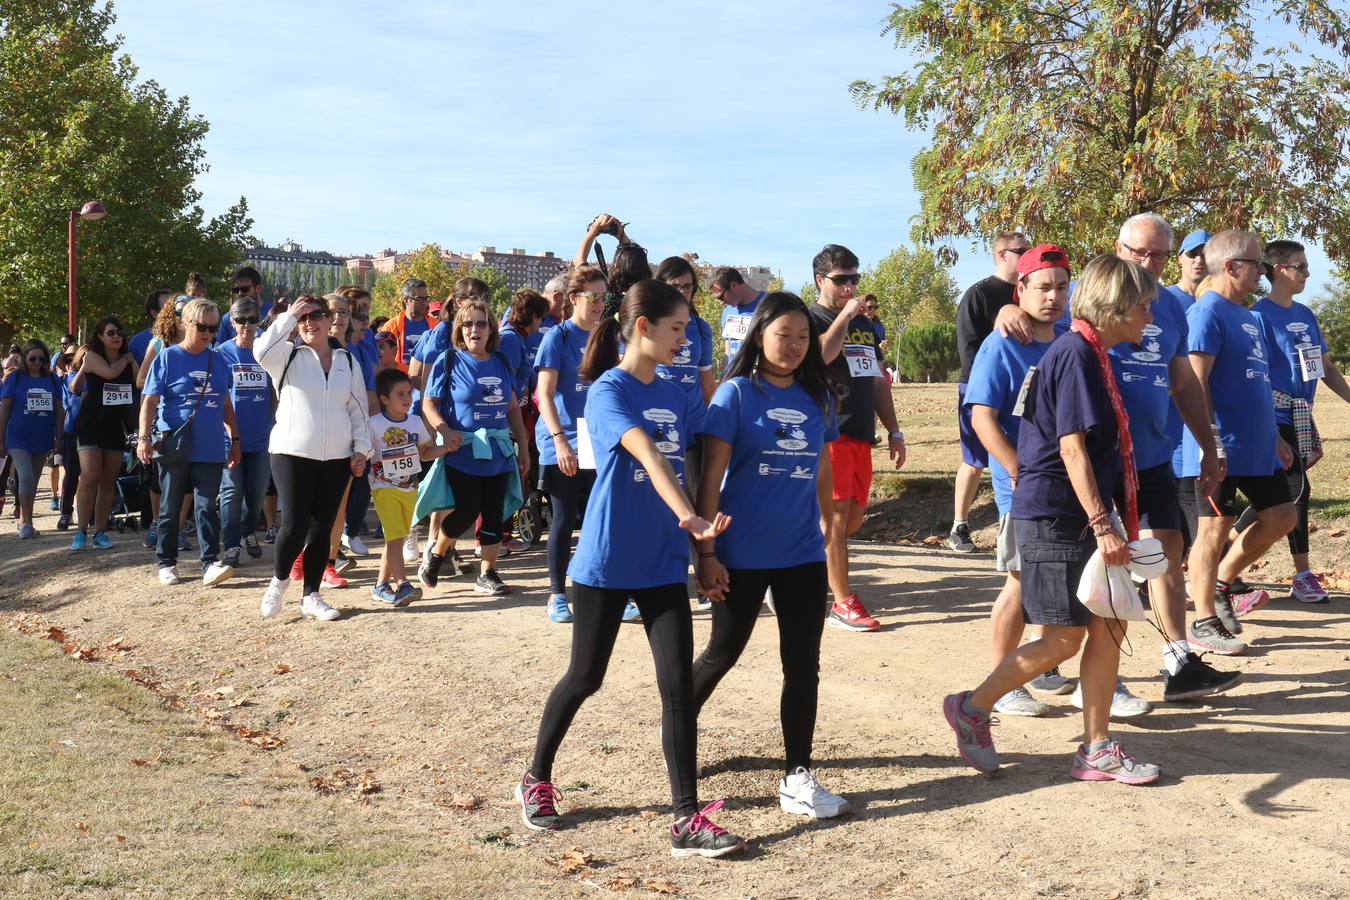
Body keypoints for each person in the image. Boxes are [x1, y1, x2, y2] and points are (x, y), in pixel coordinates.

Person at [514, 280, 745, 858]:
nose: (684, 339)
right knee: (585, 678)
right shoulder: (607, 390)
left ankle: (686, 817)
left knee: (676, 690)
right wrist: (691, 518)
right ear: (642, 327)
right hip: (607, 560)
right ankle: (535, 776)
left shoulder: (679, 389)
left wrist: (703, 551)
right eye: (677, 329)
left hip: (663, 562)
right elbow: (645, 450)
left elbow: (701, 454)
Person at [944, 254, 1162, 784]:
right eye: (1143, 307)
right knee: (1063, 638)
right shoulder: (1077, 355)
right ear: (1115, 306)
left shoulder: (1091, 350)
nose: (1149, 319)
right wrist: (1105, 525)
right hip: (1056, 513)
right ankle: (972, 708)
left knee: (1108, 625)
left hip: (1081, 512)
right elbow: (1072, 449)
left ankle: (1097, 748)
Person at [691, 291, 848, 818]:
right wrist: (706, 551)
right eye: (785, 335)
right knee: (723, 652)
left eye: (804, 337)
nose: (796, 345)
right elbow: (710, 479)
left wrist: (829, 520)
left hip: (801, 552)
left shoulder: (817, 397)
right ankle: (678, 730)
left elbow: (822, 464)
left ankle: (797, 775)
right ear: (759, 335)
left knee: (803, 664)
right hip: (741, 552)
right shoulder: (735, 395)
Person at [1099, 214, 1239, 705]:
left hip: (1154, 451)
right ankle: (1100, 676)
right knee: (1103, 561)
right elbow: (1039, 316)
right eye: (1140, 252)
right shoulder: (1087, 293)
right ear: (1119, 247)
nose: (1149, 262)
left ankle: (1178, 660)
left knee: (1165, 548)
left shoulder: (1175, 307)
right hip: (1099, 455)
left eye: (1159, 254)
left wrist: (1205, 445)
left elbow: (1184, 383)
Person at [963, 245, 1069, 717]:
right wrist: (1016, 470)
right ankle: (1001, 681)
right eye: (1042, 287)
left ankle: (1041, 665)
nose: (1053, 297)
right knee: (1021, 580)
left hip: (1066, 482)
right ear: (1020, 289)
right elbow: (983, 417)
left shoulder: (1067, 336)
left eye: (1061, 287)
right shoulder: (1002, 343)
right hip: (1024, 487)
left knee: (1059, 575)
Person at [1182, 230, 1298, 655]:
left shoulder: (1249, 317)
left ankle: (1219, 583)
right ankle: (1203, 621)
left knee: (1283, 516)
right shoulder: (1206, 313)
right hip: (1218, 449)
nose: (1263, 271)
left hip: (1256, 445)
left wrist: (1273, 440)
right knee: (1212, 530)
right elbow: (1195, 384)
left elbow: (1258, 383)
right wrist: (1212, 444)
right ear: (1231, 267)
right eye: (1256, 263)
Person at [1239, 240, 1350, 604]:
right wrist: (1268, 426)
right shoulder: (1258, 316)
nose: (1306, 272)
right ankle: (1302, 575)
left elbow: (1325, 368)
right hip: (1273, 413)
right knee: (1297, 491)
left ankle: (1224, 544)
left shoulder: (1305, 313)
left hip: (1301, 412)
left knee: (1281, 496)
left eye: (1305, 266)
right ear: (1277, 270)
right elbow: (1252, 375)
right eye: (1299, 266)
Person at [254, 294, 371, 622]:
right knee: (293, 523)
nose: (309, 323)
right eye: (303, 317)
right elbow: (260, 350)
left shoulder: (346, 360)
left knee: (322, 527)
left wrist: (362, 448)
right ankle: (277, 584)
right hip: (291, 452)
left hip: (336, 456)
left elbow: (357, 407)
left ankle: (312, 596)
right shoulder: (286, 356)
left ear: (328, 318)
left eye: (315, 315)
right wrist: (288, 317)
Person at [807, 244, 906, 631]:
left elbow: (877, 379)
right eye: (841, 279)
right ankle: (842, 602)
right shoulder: (810, 318)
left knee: (852, 520)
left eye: (854, 279)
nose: (849, 286)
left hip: (862, 435)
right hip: (827, 433)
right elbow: (820, 358)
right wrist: (845, 317)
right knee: (835, 519)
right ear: (821, 280)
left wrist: (894, 429)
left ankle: (799, 564)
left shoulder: (865, 325)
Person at [417, 299, 530, 595]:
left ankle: (488, 572)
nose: (474, 329)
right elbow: (429, 402)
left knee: (494, 513)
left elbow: (512, 407)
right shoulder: (449, 360)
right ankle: (438, 552)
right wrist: (444, 430)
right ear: (460, 329)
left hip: (498, 451)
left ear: (491, 327)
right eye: (467, 324)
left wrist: (524, 445)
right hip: (462, 450)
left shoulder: (502, 362)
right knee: (466, 510)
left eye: (480, 323)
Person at [136, 299, 239, 587]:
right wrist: (144, 437)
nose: (207, 332)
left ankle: (209, 563)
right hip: (175, 446)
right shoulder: (168, 357)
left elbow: (226, 404)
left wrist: (236, 438)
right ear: (186, 324)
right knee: (169, 508)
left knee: (206, 507)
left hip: (211, 447)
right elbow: (149, 401)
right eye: (202, 326)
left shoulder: (219, 360)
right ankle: (166, 562)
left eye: (213, 327)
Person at [950, 231, 1031, 552]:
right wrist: (982, 392)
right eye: (1021, 250)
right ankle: (959, 525)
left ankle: (1013, 525)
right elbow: (967, 350)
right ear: (1001, 254)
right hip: (979, 389)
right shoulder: (978, 294)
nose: (1027, 255)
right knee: (975, 459)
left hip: (1023, 390)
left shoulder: (1028, 291)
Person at [534, 266, 607, 623]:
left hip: (599, 439)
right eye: (593, 297)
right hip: (563, 438)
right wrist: (561, 441)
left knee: (601, 517)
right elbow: (543, 395)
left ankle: (606, 590)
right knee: (564, 519)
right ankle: (557, 594)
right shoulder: (557, 338)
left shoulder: (608, 337)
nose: (599, 304)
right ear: (574, 298)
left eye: (603, 297)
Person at [368, 368, 449, 605]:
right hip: (383, 489)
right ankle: (402, 584)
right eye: (400, 394)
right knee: (394, 537)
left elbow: (424, 453)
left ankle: (380, 586)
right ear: (384, 399)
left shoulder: (415, 422)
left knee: (398, 538)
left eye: (409, 393)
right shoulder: (373, 424)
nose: (407, 399)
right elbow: (363, 451)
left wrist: (445, 448)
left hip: (409, 489)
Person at [68, 317, 137, 550]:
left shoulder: (127, 359)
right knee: (89, 476)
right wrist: (127, 359)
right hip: (90, 422)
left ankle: (100, 532)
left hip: (114, 424)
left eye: (119, 332)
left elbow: (139, 382)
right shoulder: (92, 357)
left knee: (109, 479)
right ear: (99, 337)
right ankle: (80, 532)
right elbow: (108, 373)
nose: (117, 336)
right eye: (110, 333)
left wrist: (132, 360)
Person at [215, 298, 272, 568]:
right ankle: (232, 543)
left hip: (262, 437)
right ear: (232, 322)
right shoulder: (221, 353)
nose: (247, 325)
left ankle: (248, 530)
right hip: (231, 437)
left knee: (257, 492)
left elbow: (275, 391)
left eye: (252, 319)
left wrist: (274, 423)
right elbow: (219, 397)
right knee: (231, 491)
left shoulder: (266, 350)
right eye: (241, 320)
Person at [0, 340, 63, 538]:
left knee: (33, 481)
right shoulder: (15, 378)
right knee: (25, 476)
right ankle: (26, 522)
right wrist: (0, 438)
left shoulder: (52, 379)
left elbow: (59, 410)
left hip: (42, 436)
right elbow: (5, 409)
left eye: (41, 359)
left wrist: (58, 437)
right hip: (18, 436)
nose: (37, 362)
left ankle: (26, 521)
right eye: (32, 358)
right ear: (25, 359)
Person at [339, 285, 378, 557]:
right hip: (337, 425)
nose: (365, 320)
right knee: (338, 487)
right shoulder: (335, 347)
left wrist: (375, 428)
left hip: (361, 422)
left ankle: (350, 532)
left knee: (362, 481)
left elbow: (371, 389)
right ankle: (332, 549)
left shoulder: (365, 345)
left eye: (367, 313)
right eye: (359, 313)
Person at [710, 267, 764, 365]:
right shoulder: (727, 312)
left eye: (721, 297)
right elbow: (728, 349)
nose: (721, 302)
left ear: (733, 285)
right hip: (734, 378)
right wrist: (725, 377)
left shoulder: (768, 304)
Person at [380, 277, 436, 372]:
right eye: (419, 299)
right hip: (399, 379)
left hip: (428, 380)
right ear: (406, 300)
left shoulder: (436, 326)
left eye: (426, 298)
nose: (424, 302)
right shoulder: (391, 326)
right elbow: (383, 358)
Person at [217, 266, 271, 346]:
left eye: (245, 289)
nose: (240, 293)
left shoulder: (273, 313)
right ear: (233, 322)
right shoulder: (228, 317)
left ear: (258, 288)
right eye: (236, 290)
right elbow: (219, 348)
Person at [130, 289, 173, 365]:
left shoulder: (189, 337)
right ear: (155, 313)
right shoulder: (138, 342)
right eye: (168, 308)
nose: (175, 311)